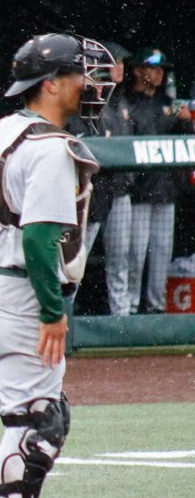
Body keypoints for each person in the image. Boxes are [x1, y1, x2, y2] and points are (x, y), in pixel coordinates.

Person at [0, 34, 115, 498]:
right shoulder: (50, 148)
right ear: (51, 84)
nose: (91, 85)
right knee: (37, 425)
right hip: (26, 292)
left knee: (35, 419)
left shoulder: (7, 128)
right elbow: (42, 237)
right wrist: (54, 313)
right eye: (81, 75)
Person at [123, 48, 192, 314]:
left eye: (162, 69)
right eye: (153, 68)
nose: (160, 73)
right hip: (139, 193)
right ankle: (128, 308)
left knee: (162, 253)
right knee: (135, 255)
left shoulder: (169, 104)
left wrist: (186, 122)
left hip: (165, 193)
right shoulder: (126, 103)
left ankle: (156, 307)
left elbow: (187, 142)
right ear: (138, 71)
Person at [86, 41, 134, 314]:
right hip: (94, 193)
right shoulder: (91, 101)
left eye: (123, 63)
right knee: (76, 261)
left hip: (119, 191)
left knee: (120, 258)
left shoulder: (122, 101)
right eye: (116, 62)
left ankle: (122, 316)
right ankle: (64, 313)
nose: (121, 68)